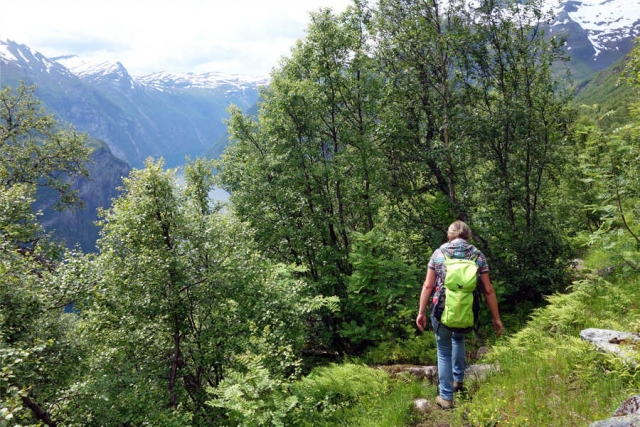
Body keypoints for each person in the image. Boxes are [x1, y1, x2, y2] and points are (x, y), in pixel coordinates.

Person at [416, 220, 503, 409]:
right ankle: (458, 380)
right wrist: (496, 318)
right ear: (468, 236)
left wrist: (421, 312)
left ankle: (446, 397)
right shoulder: (478, 256)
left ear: (449, 235)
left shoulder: (439, 254)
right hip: (466, 308)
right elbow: (488, 290)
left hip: (441, 308)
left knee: (444, 350)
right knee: (459, 340)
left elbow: (428, 285)